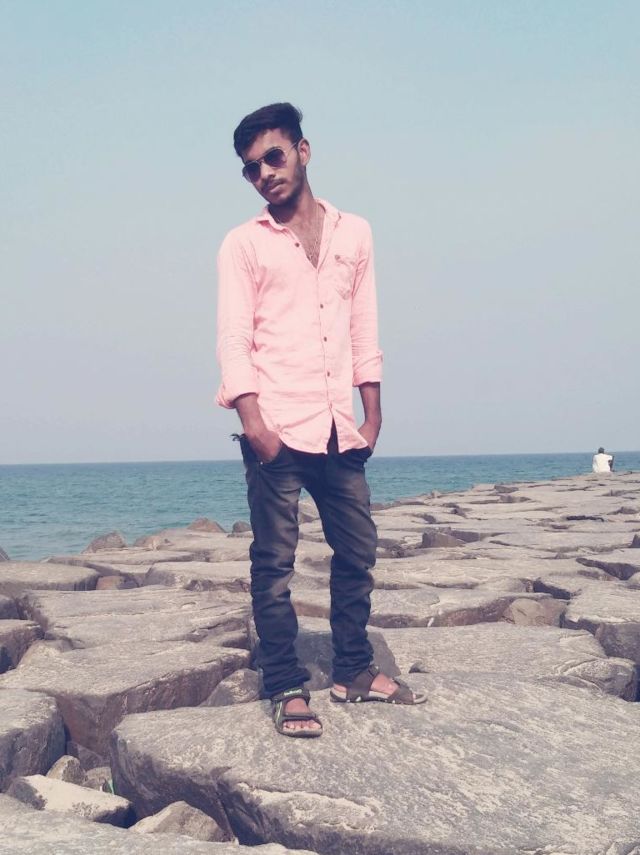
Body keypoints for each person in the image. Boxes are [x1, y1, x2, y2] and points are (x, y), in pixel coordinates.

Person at [216, 103, 426, 738]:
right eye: (251, 168)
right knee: (274, 566)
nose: (264, 173)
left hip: (340, 428)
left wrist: (373, 412)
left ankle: (353, 669)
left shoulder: (354, 233)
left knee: (358, 552)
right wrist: (255, 423)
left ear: (303, 151)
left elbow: (363, 323)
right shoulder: (243, 244)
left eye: (273, 157)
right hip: (276, 429)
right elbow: (234, 339)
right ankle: (285, 684)